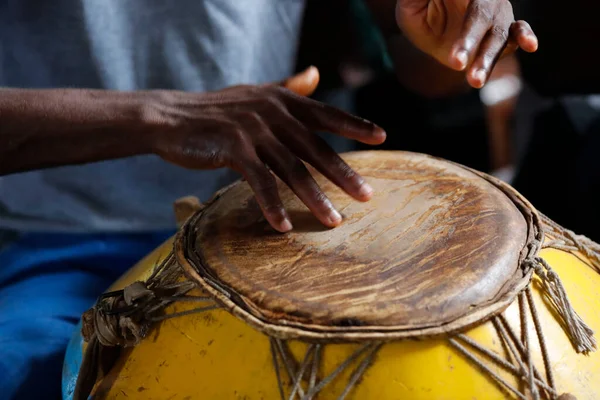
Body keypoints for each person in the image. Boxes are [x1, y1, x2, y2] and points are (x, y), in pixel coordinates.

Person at [0, 0, 537, 398]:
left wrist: (451, 42)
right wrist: (160, 116)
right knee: (21, 373)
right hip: (63, 232)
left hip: (273, 222)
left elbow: (417, 62)